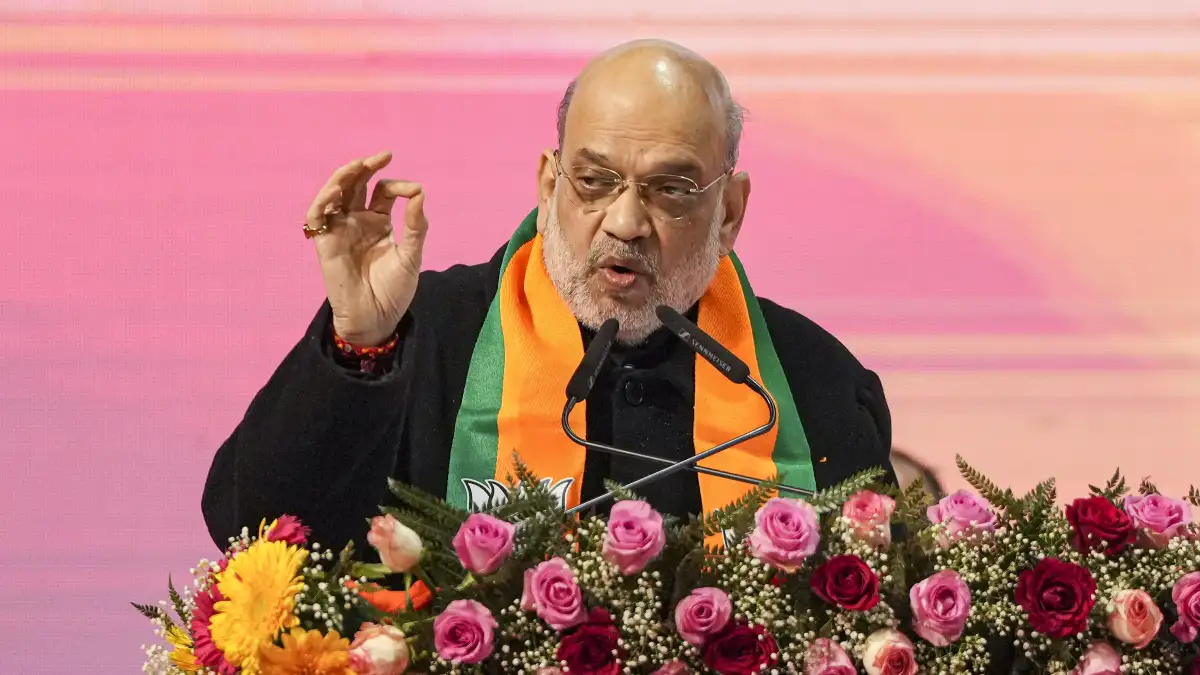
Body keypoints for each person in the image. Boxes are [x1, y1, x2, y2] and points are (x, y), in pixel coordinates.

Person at [201, 39, 896, 553]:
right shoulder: (422, 333)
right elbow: (251, 534)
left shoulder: (811, 379)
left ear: (730, 212)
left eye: (671, 189)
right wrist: (356, 343)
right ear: (547, 183)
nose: (625, 222)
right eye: (594, 181)